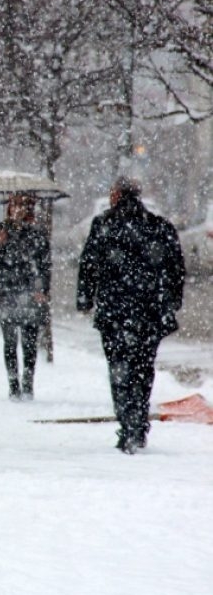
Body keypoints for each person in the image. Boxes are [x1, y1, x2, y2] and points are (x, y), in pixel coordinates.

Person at [77, 176, 186, 454]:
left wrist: (85, 297)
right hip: (149, 311)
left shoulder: (104, 226)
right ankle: (138, 422)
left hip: (115, 311)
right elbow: (175, 267)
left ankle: (127, 423)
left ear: (116, 196)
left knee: (119, 368)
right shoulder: (158, 226)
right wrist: (171, 300)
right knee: (143, 367)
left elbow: (89, 264)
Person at [0, 193, 51, 399]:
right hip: (6, 291)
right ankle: (13, 385)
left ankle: (28, 384)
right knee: (10, 341)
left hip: (29, 291)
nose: (16, 209)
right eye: (13, 205)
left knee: (29, 342)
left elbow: (44, 265)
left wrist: (43, 290)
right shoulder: (1, 230)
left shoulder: (37, 234)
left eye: (21, 206)